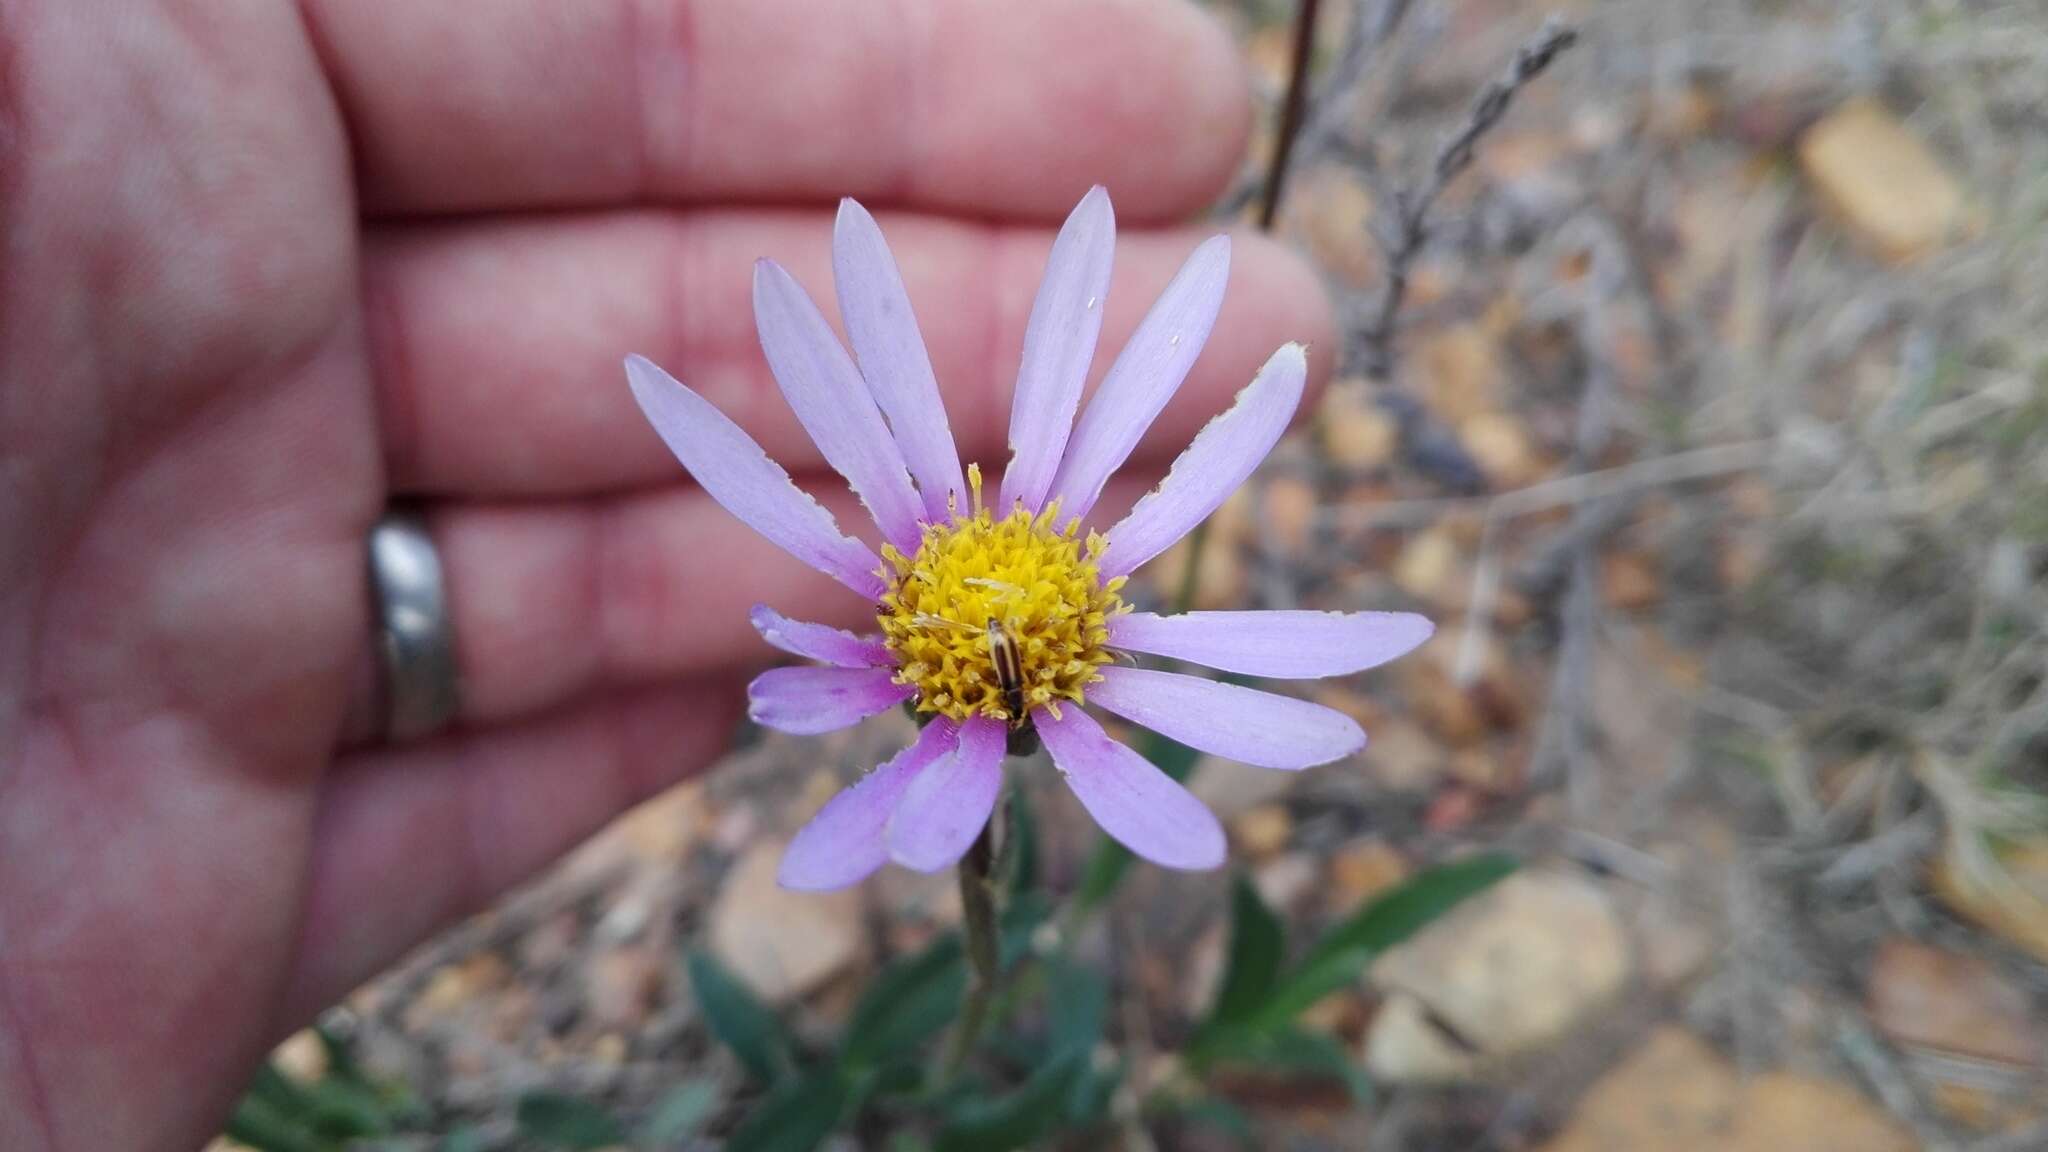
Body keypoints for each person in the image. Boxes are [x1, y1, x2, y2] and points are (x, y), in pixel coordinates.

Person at [0, 2, 1332, 1148]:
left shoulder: (1053, 647)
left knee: (986, 965)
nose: (1006, 609)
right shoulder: (914, 643)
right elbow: (888, 767)